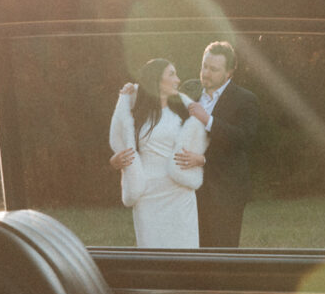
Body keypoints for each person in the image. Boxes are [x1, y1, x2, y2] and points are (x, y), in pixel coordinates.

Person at [109, 59, 207, 247]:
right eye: (172, 74)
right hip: (147, 196)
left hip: (180, 194)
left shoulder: (185, 111)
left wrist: (200, 159)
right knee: (152, 255)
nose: (178, 80)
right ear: (156, 80)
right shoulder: (135, 116)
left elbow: (204, 146)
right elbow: (119, 145)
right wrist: (115, 161)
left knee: (185, 253)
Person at [182, 41, 258, 247]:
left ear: (229, 73)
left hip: (225, 191)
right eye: (204, 66)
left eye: (213, 69)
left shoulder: (245, 99)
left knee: (222, 252)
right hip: (188, 190)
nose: (206, 73)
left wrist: (208, 120)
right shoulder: (190, 93)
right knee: (192, 252)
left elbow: (243, 139)